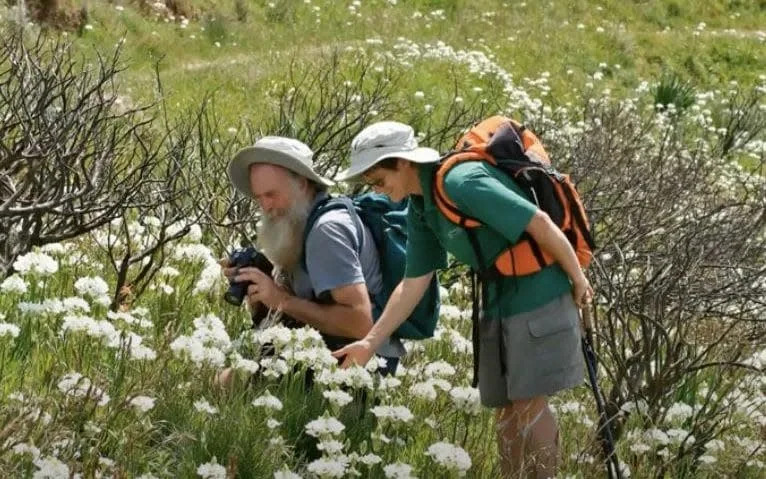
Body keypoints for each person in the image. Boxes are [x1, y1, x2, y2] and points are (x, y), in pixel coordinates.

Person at [331, 121, 592, 478]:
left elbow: (540, 224)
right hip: (498, 299)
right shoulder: (421, 207)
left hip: (538, 292)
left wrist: (578, 280)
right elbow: (413, 282)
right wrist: (370, 343)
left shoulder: (462, 182)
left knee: (530, 404)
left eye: (379, 180)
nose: (377, 190)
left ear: (403, 163)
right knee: (505, 409)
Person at [221, 136, 404, 385]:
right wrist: (260, 284)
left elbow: (361, 323)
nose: (265, 206)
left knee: (229, 382)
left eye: (272, 194)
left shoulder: (327, 231)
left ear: (304, 184)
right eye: (258, 197)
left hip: (360, 366)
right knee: (231, 379)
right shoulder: (300, 223)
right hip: (331, 351)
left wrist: (281, 300)